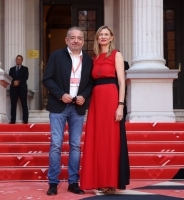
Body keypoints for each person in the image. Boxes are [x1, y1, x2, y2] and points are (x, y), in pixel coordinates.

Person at [42, 26, 94, 196]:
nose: (76, 40)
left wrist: (84, 96)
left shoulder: (88, 60)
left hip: (77, 108)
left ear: (83, 41)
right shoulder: (57, 56)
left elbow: (91, 84)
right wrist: (60, 94)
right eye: (72, 37)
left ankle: (73, 182)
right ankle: (53, 182)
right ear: (67, 40)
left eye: (79, 38)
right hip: (59, 106)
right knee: (56, 144)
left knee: (75, 146)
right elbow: (47, 79)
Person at [80, 25, 130, 195]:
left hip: (111, 97)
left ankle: (110, 182)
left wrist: (121, 105)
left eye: (106, 34)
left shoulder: (117, 55)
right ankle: (98, 181)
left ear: (111, 37)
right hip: (96, 101)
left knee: (110, 140)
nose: (103, 37)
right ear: (97, 37)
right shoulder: (93, 59)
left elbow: (122, 82)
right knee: (97, 140)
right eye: (100, 34)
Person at [9, 55, 29, 124]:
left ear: (22, 60)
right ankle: (12, 121)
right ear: (16, 60)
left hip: (22, 88)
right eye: (17, 59)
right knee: (13, 105)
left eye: (20, 59)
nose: (18, 60)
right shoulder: (11, 69)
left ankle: (25, 121)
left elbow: (25, 77)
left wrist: (18, 82)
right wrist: (13, 82)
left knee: (24, 104)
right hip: (13, 88)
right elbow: (10, 78)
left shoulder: (25, 69)